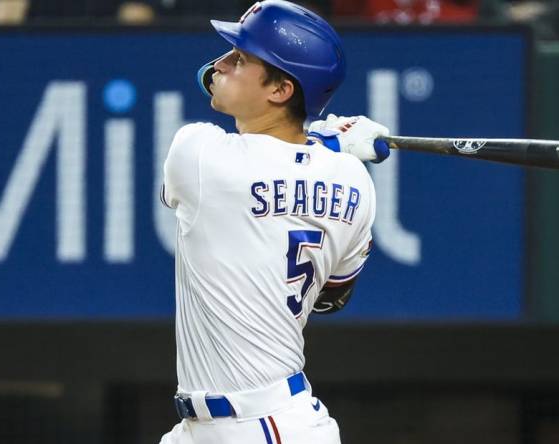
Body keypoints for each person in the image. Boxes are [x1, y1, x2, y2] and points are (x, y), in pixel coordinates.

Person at [158, 1, 390, 442]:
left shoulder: (199, 154)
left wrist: (327, 139)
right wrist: (327, 144)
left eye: (240, 58)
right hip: (225, 425)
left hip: (264, 427)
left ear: (281, 90)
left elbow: (209, 84)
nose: (221, 63)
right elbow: (330, 300)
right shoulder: (354, 180)